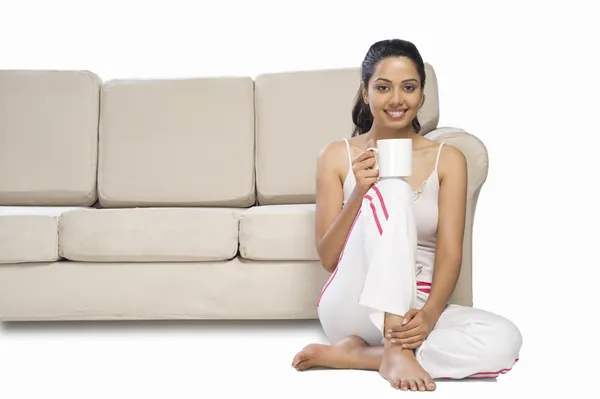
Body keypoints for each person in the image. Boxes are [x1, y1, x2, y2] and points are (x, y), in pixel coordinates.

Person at [291, 39, 523, 392]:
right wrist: (361, 192)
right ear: (366, 93)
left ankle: (361, 356)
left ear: (422, 96)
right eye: (383, 87)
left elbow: (449, 253)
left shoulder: (449, 159)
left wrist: (428, 317)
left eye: (409, 87)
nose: (397, 99)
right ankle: (396, 351)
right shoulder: (336, 155)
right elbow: (328, 258)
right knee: (394, 189)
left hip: (417, 305)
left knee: (505, 339)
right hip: (353, 304)